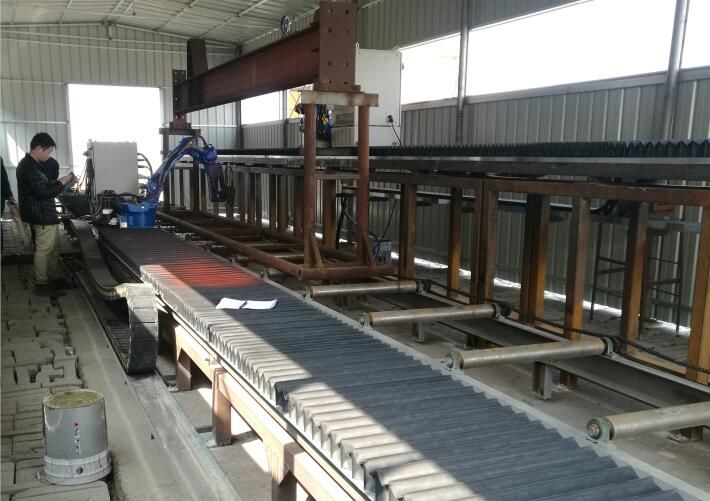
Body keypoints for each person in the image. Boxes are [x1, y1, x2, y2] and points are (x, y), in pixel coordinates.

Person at [15, 133, 76, 296]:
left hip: (45, 213)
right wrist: (60, 183)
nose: (49, 156)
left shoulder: (34, 165)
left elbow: (43, 188)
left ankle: (55, 277)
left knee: (53, 248)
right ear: (39, 148)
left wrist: (60, 183)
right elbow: (42, 193)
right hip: (40, 215)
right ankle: (41, 284)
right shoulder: (29, 167)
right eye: (48, 151)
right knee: (44, 250)